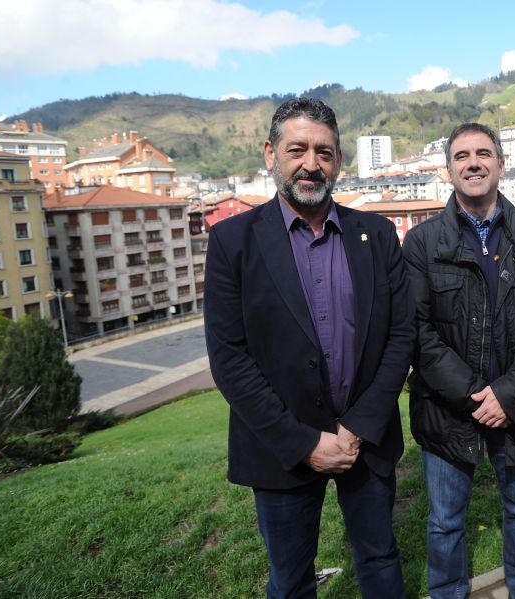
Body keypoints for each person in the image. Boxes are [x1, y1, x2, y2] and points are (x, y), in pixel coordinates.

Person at [204, 97, 414, 599]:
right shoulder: (234, 241)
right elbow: (229, 358)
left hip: (366, 438)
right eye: (297, 149)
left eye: (324, 151)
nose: (310, 163)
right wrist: (305, 443)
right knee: (291, 579)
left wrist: (358, 428)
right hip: (282, 449)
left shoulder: (377, 234)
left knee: (380, 558)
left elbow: (401, 336)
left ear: (338, 161)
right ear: (270, 154)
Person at [403, 123, 515, 598]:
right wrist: (475, 396)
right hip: (449, 410)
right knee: (445, 524)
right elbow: (417, 329)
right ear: (448, 170)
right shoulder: (422, 243)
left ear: (501, 163)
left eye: (482, 153)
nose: (472, 163)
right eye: (461, 156)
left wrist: (509, 393)